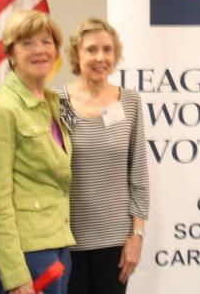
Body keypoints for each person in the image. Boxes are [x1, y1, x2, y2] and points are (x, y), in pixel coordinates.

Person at [0, 10, 74, 294]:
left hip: (56, 244)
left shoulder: (53, 102)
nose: (40, 50)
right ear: (11, 53)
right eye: (27, 43)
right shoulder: (1, 109)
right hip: (24, 254)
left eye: (47, 41)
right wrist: (16, 277)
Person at [59, 18, 149, 294]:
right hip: (65, 240)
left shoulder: (130, 102)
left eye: (107, 50)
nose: (101, 57)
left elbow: (139, 175)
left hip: (115, 242)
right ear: (76, 54)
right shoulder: (57, 103)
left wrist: (137, 236)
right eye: (91, 50)